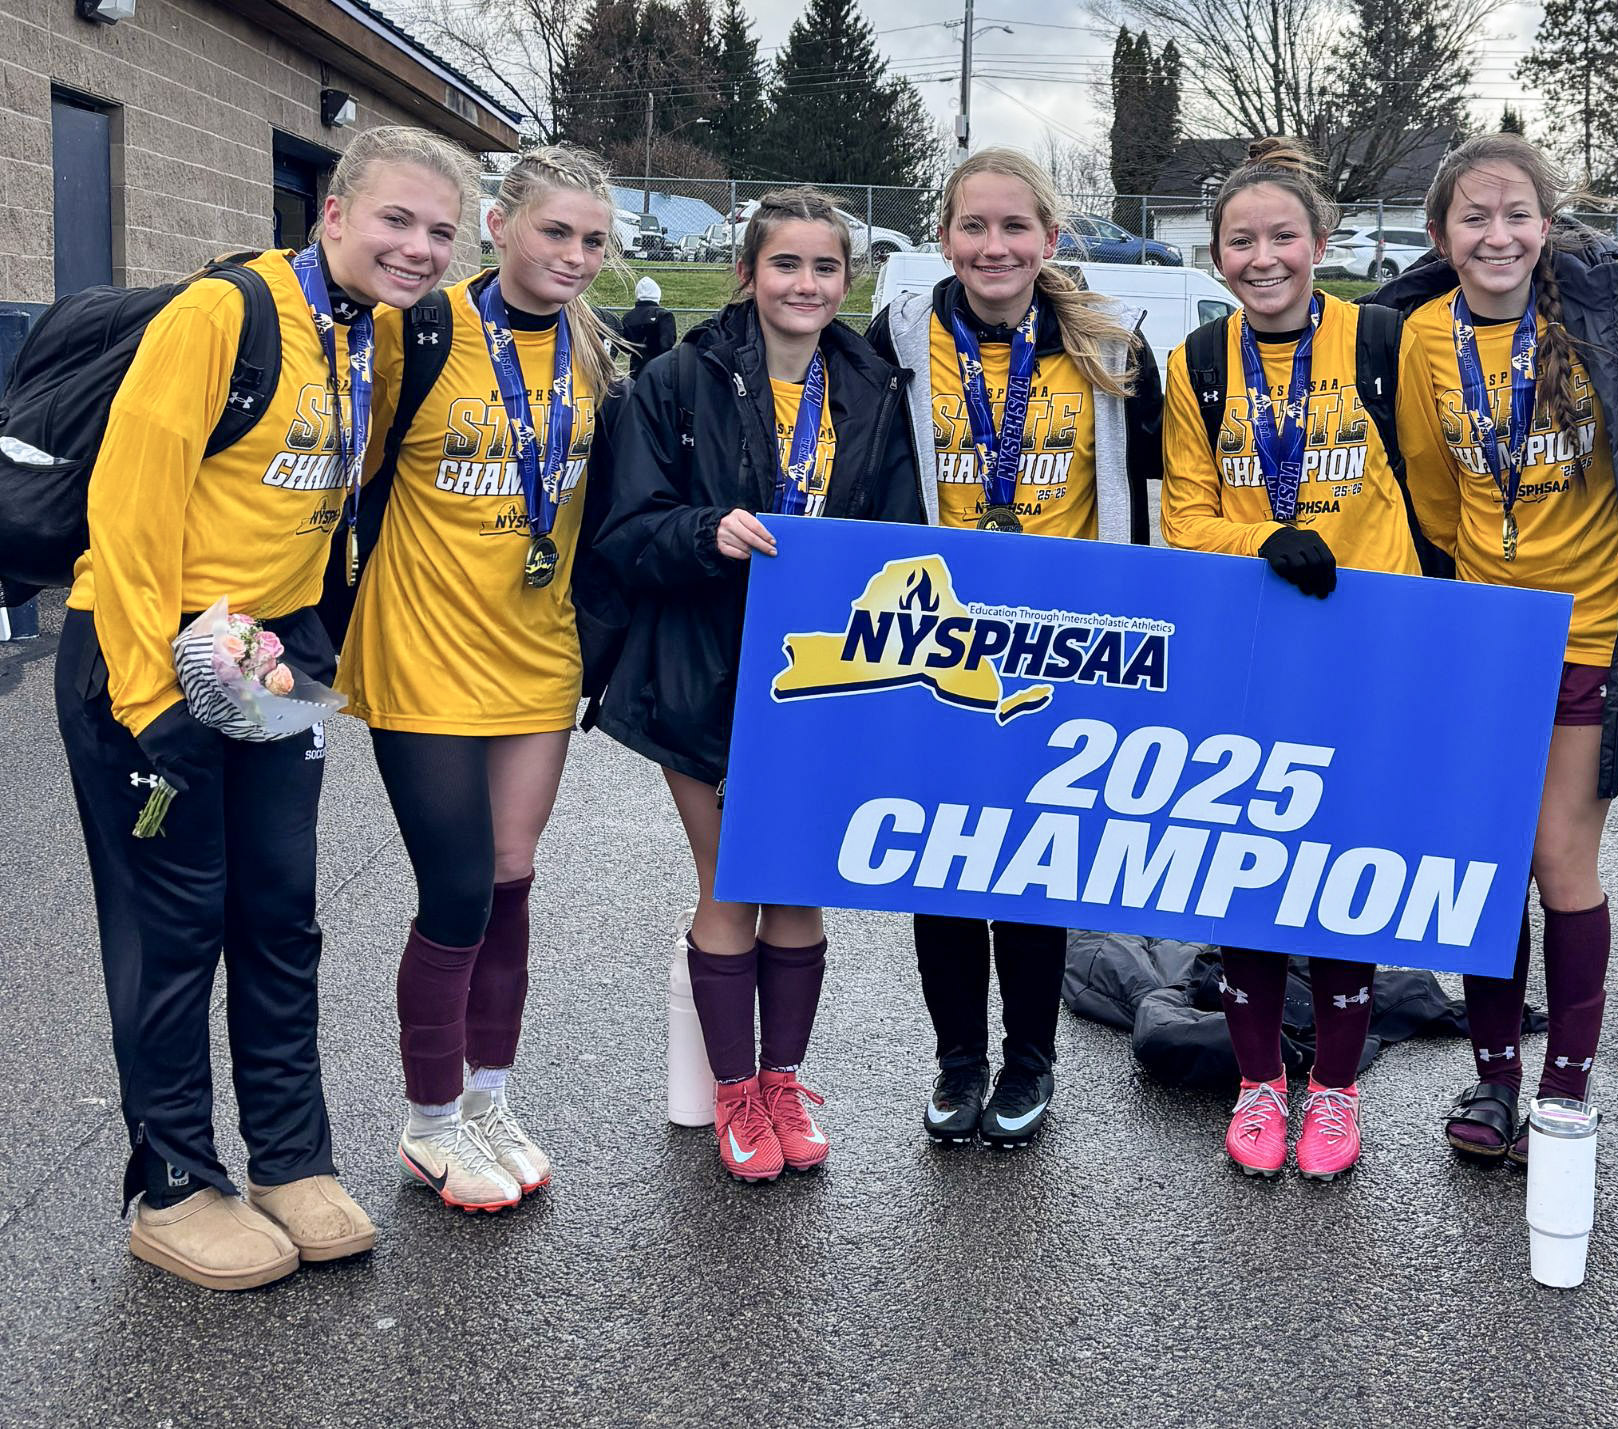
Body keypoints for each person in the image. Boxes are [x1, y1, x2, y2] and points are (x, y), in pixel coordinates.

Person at [55, 125, 473, 1289]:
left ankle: (291, 1158)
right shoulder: (221, 316)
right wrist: (156, 708)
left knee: (281, 916)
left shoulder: (377, 335)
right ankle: (175, 1181)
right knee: (174, 925)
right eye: (395, 219)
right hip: (148, 659)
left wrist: (311, 655)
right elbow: (128, 517)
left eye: (439, 230)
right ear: (331, 215)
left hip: (277, 659)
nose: (416, 247)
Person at [589, 189, 924, 1180]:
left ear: (847, 280)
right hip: (702, 670)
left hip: (822, 681)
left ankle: (782, 1080)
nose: (805, 284)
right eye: (785, 265)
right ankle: (733, 1095)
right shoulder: (679, 380)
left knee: (800, 892)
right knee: (733, 880)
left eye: (825, 268)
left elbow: (899, 534)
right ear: (747, 273)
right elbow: (623, 532)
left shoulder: (873, 389)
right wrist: (707, 530)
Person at [1371, 132, 1618, 1162]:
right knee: (1486, 864)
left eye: (1515, 215)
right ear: (1440, 233)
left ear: (1545, 227)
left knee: (1559, 860)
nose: (1495, 234)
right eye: (1473, 217)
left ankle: (1565, 1085)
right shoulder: (1419, 337)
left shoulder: (1602, 318)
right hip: (1481, 642)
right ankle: (1493, 1076)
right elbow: (1430, 489)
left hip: (1589, 629)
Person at [335, 146, 619, 1213]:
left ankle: (488, 1097)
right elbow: (341, 477)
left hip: (536, 654)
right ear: (500, 226)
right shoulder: (420, 333)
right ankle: (428, 1121)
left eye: (594, 240)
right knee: (453, 891)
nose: (577, 256)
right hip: (421, 652)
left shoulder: (595, 354)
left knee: (509, 879)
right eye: (556, 232)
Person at [865, 148, 1164, 1148]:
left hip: (1060, 646)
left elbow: (1147, 510)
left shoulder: (1112, 350)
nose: (993, 247)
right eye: (973, 227)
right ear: (942, 235)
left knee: (1032, 867)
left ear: (1047, 236)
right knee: (940, 866)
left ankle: (1028, 1060)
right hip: (936, 644)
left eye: (1014, 227)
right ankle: (957, 1062)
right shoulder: (896, 337)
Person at [1159, 138, 1423, 1178]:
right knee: (1249, 874)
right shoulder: (1196, 361)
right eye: (1240, 241)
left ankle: (1338, 1094)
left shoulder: (1382, 340)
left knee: (1342, 875)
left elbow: (1440, 487)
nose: (1261, 258)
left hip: (1365, 648)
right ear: (1215, 253)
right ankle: (1258, 1083)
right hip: (1254, 649)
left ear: (1320, 242)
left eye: (1282, 237)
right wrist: (1259, 541)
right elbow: (1182, 513)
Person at [620, 275, 676, 378]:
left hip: (636, 369)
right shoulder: (664, 316)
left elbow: (625, 346)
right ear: (657, 294)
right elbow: (668, 343)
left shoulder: (628, 317)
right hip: (660, 368)